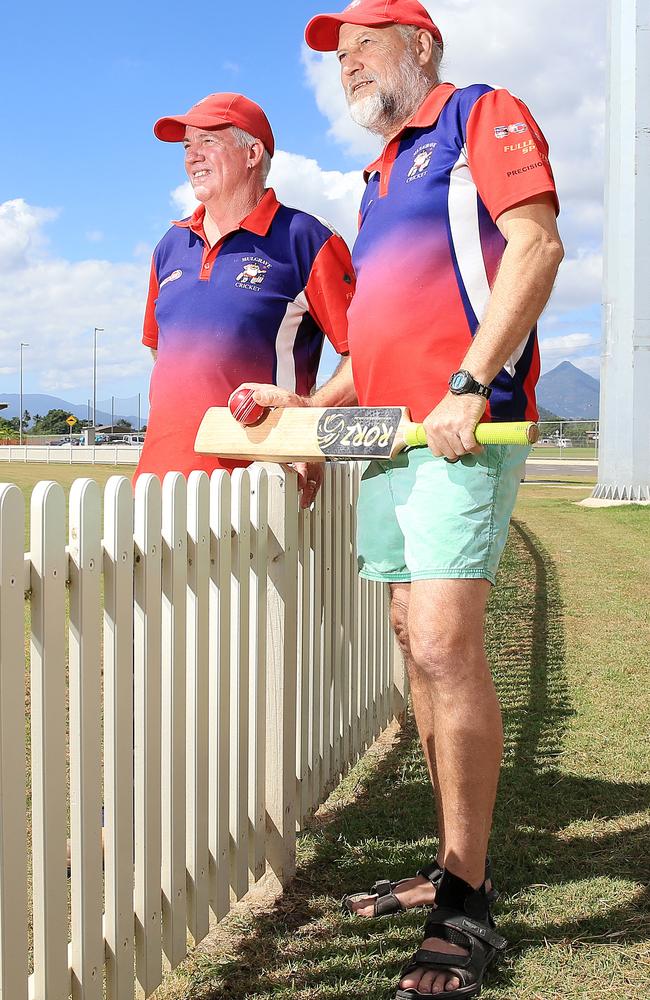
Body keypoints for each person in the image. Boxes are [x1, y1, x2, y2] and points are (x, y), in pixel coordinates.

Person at [248, 2, 564, 996]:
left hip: (460, 429)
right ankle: (448, 859)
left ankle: (465, 902)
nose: (347, 68)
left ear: (417, 46)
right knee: (412, 647)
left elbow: (535, 246)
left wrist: (470, 382)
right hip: (389, 439)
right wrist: (303, 404)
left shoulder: (479, 115)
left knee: (439, 646)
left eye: (362, 48)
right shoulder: (378, 178)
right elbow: (372, 338)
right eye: (337, 59)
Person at [134, 92, 355, 507]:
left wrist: (308, 418)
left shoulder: (304, 238)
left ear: (252, 152)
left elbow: (369, 355)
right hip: (157, 487)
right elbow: (162, 354)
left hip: (257, 492)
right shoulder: (169, 246)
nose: (192, 157)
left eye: (208, 142)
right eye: (187, 146)